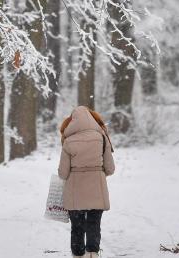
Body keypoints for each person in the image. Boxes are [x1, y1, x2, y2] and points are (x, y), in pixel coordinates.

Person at [57, 106, 116, 258]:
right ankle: (92, 253)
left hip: (75, 192)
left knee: (77, 227)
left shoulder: (68, 141)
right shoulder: (102, 137)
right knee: (94, 225)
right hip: (97, 189)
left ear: (72, 122)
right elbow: (110, 169)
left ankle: (78, 255)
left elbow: (63, 173)